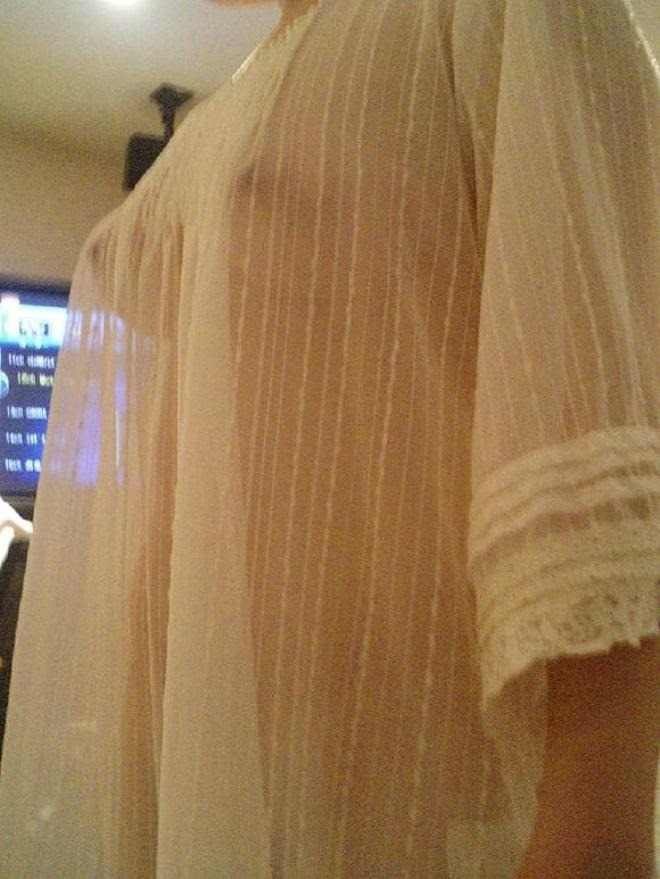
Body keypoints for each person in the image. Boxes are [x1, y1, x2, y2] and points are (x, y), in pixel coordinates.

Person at [0, 0, 658, 876]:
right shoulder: (220, 118)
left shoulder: (495, 17)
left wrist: (593, 823)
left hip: (395, 797)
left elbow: (603, 477)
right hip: (194, 771)